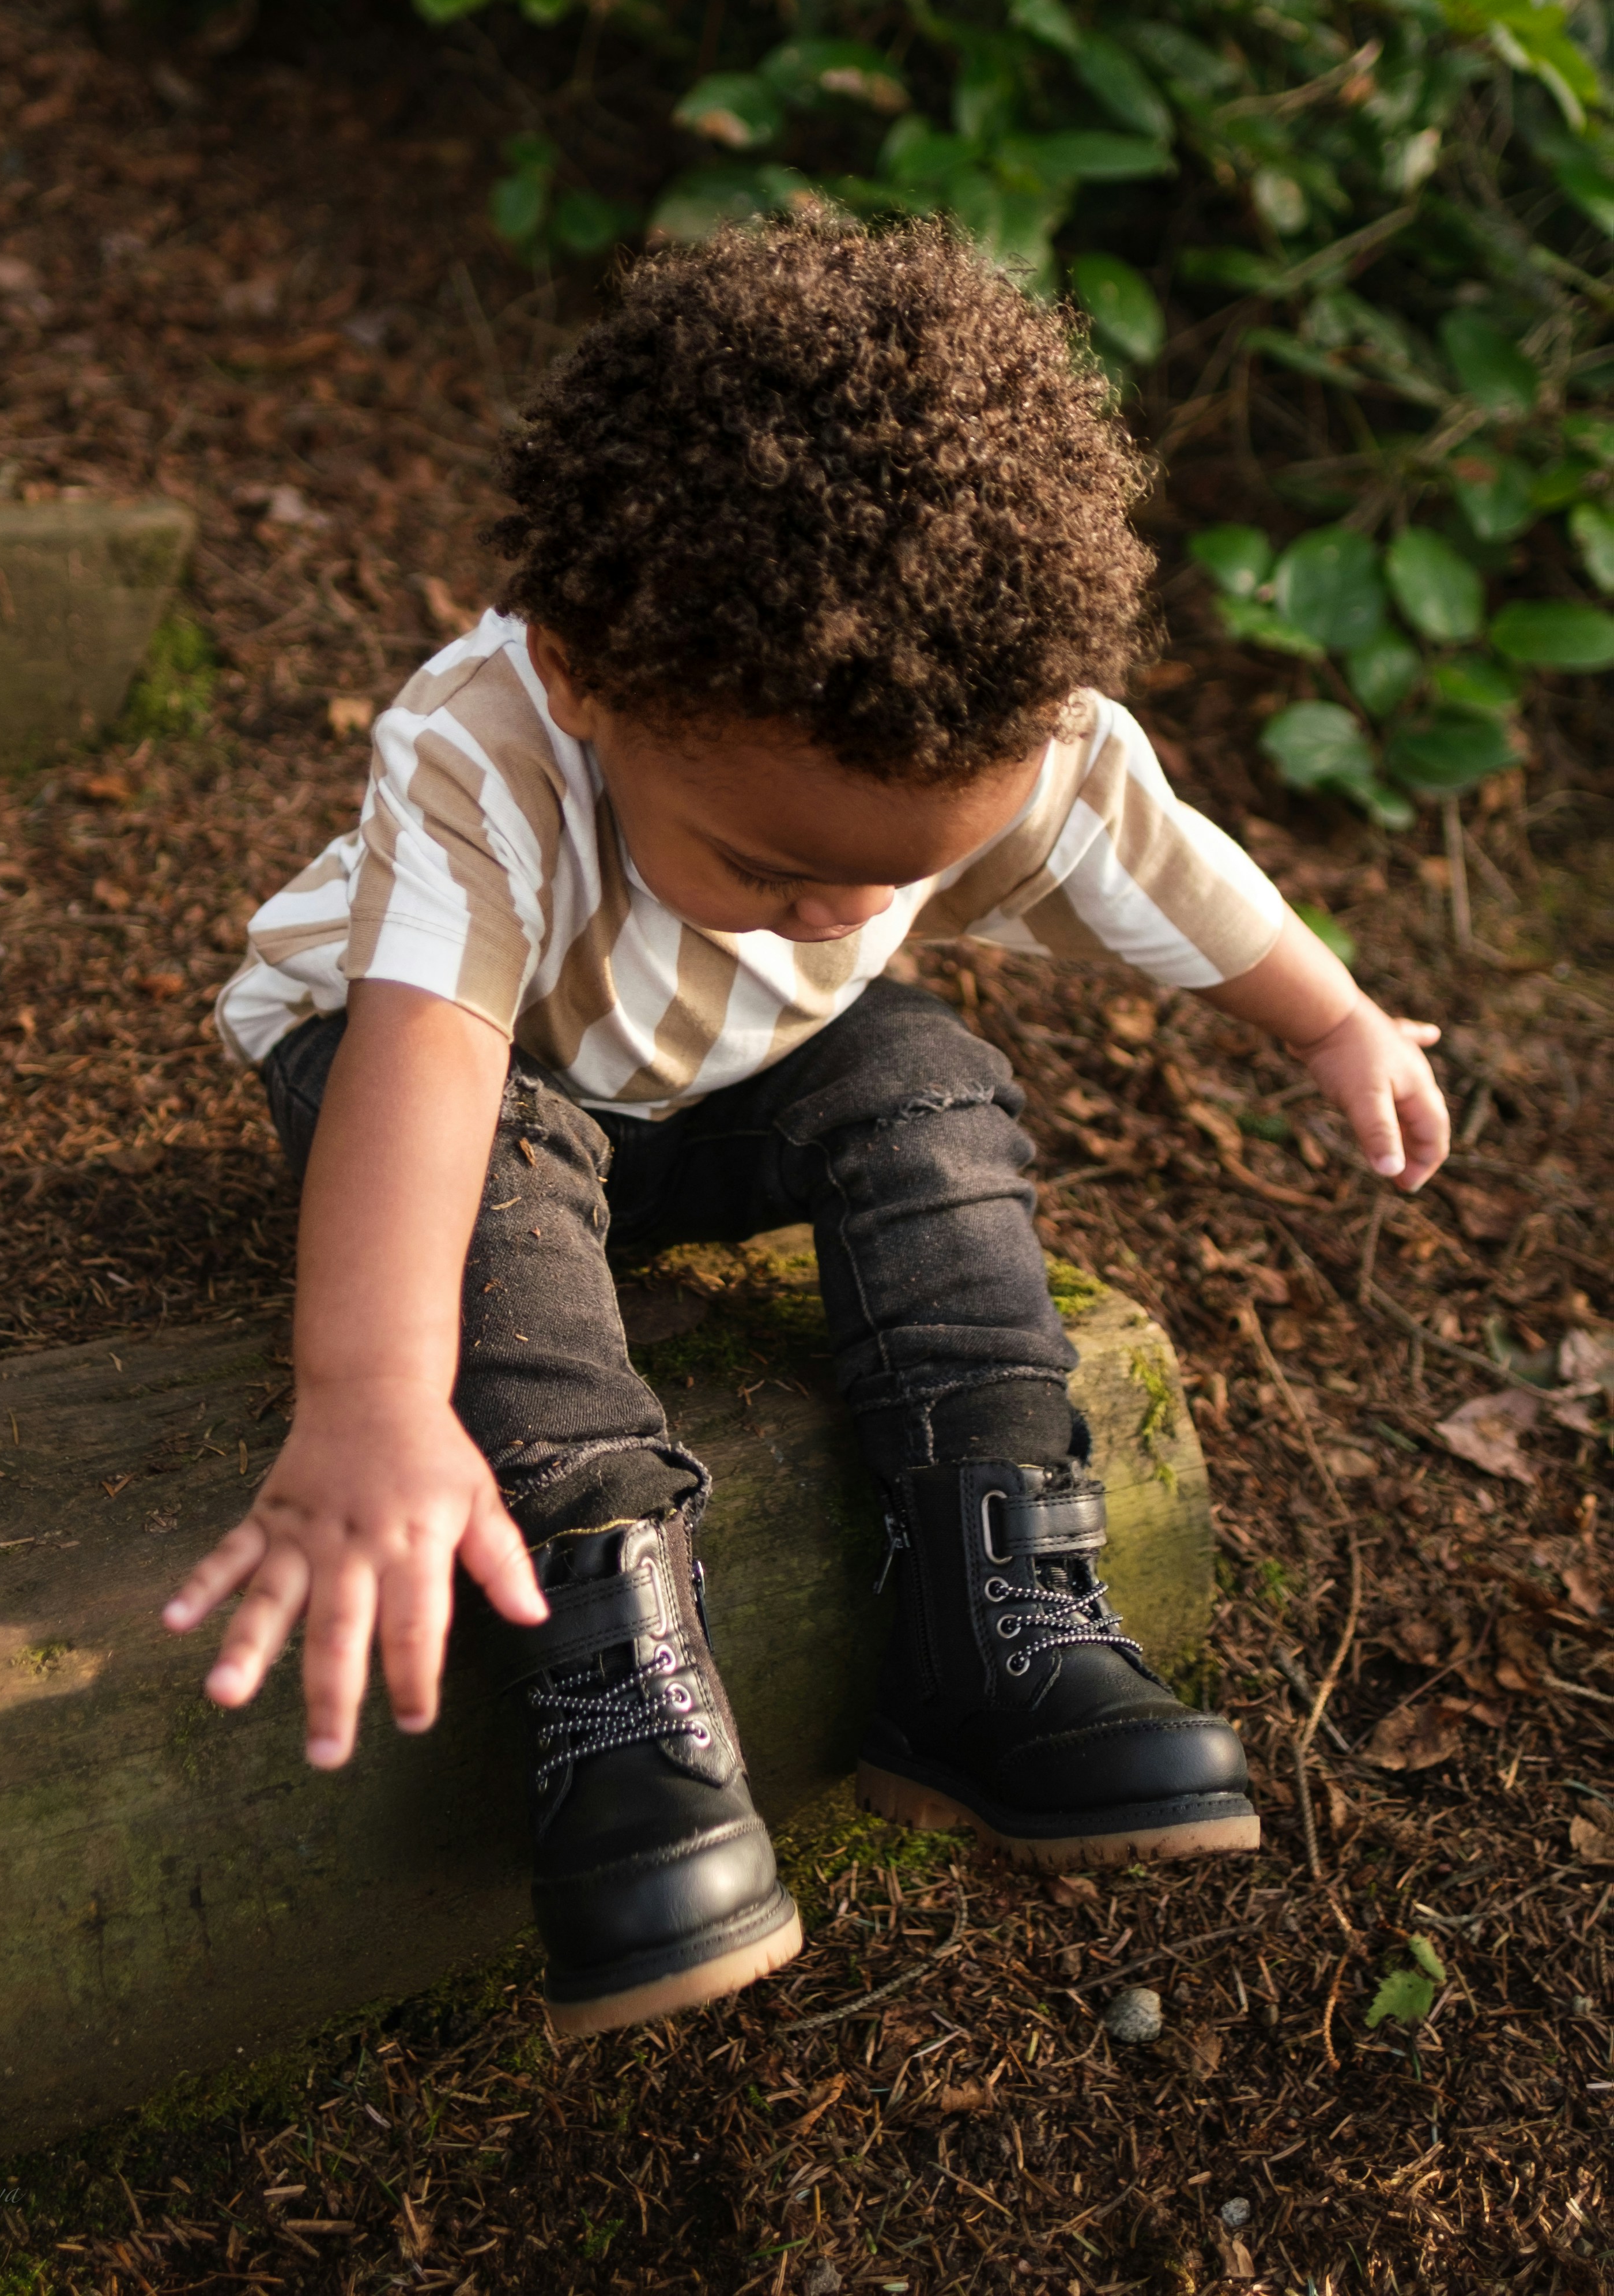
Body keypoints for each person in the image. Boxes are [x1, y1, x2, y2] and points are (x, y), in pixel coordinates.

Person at [163, 219, 1449, 2038]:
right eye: (771, 865)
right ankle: (615, 1688)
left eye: (894, 872)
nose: (842, 908)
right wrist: (370, 1399)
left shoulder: (997, 728)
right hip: (453, 1083)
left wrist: (1334, 1019)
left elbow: (1168, 871)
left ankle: (1003, 1625)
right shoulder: (494, 746)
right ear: (593, 678)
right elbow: (432, 1065)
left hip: (706, 1086)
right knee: (508, 1174)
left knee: (919, 1068)